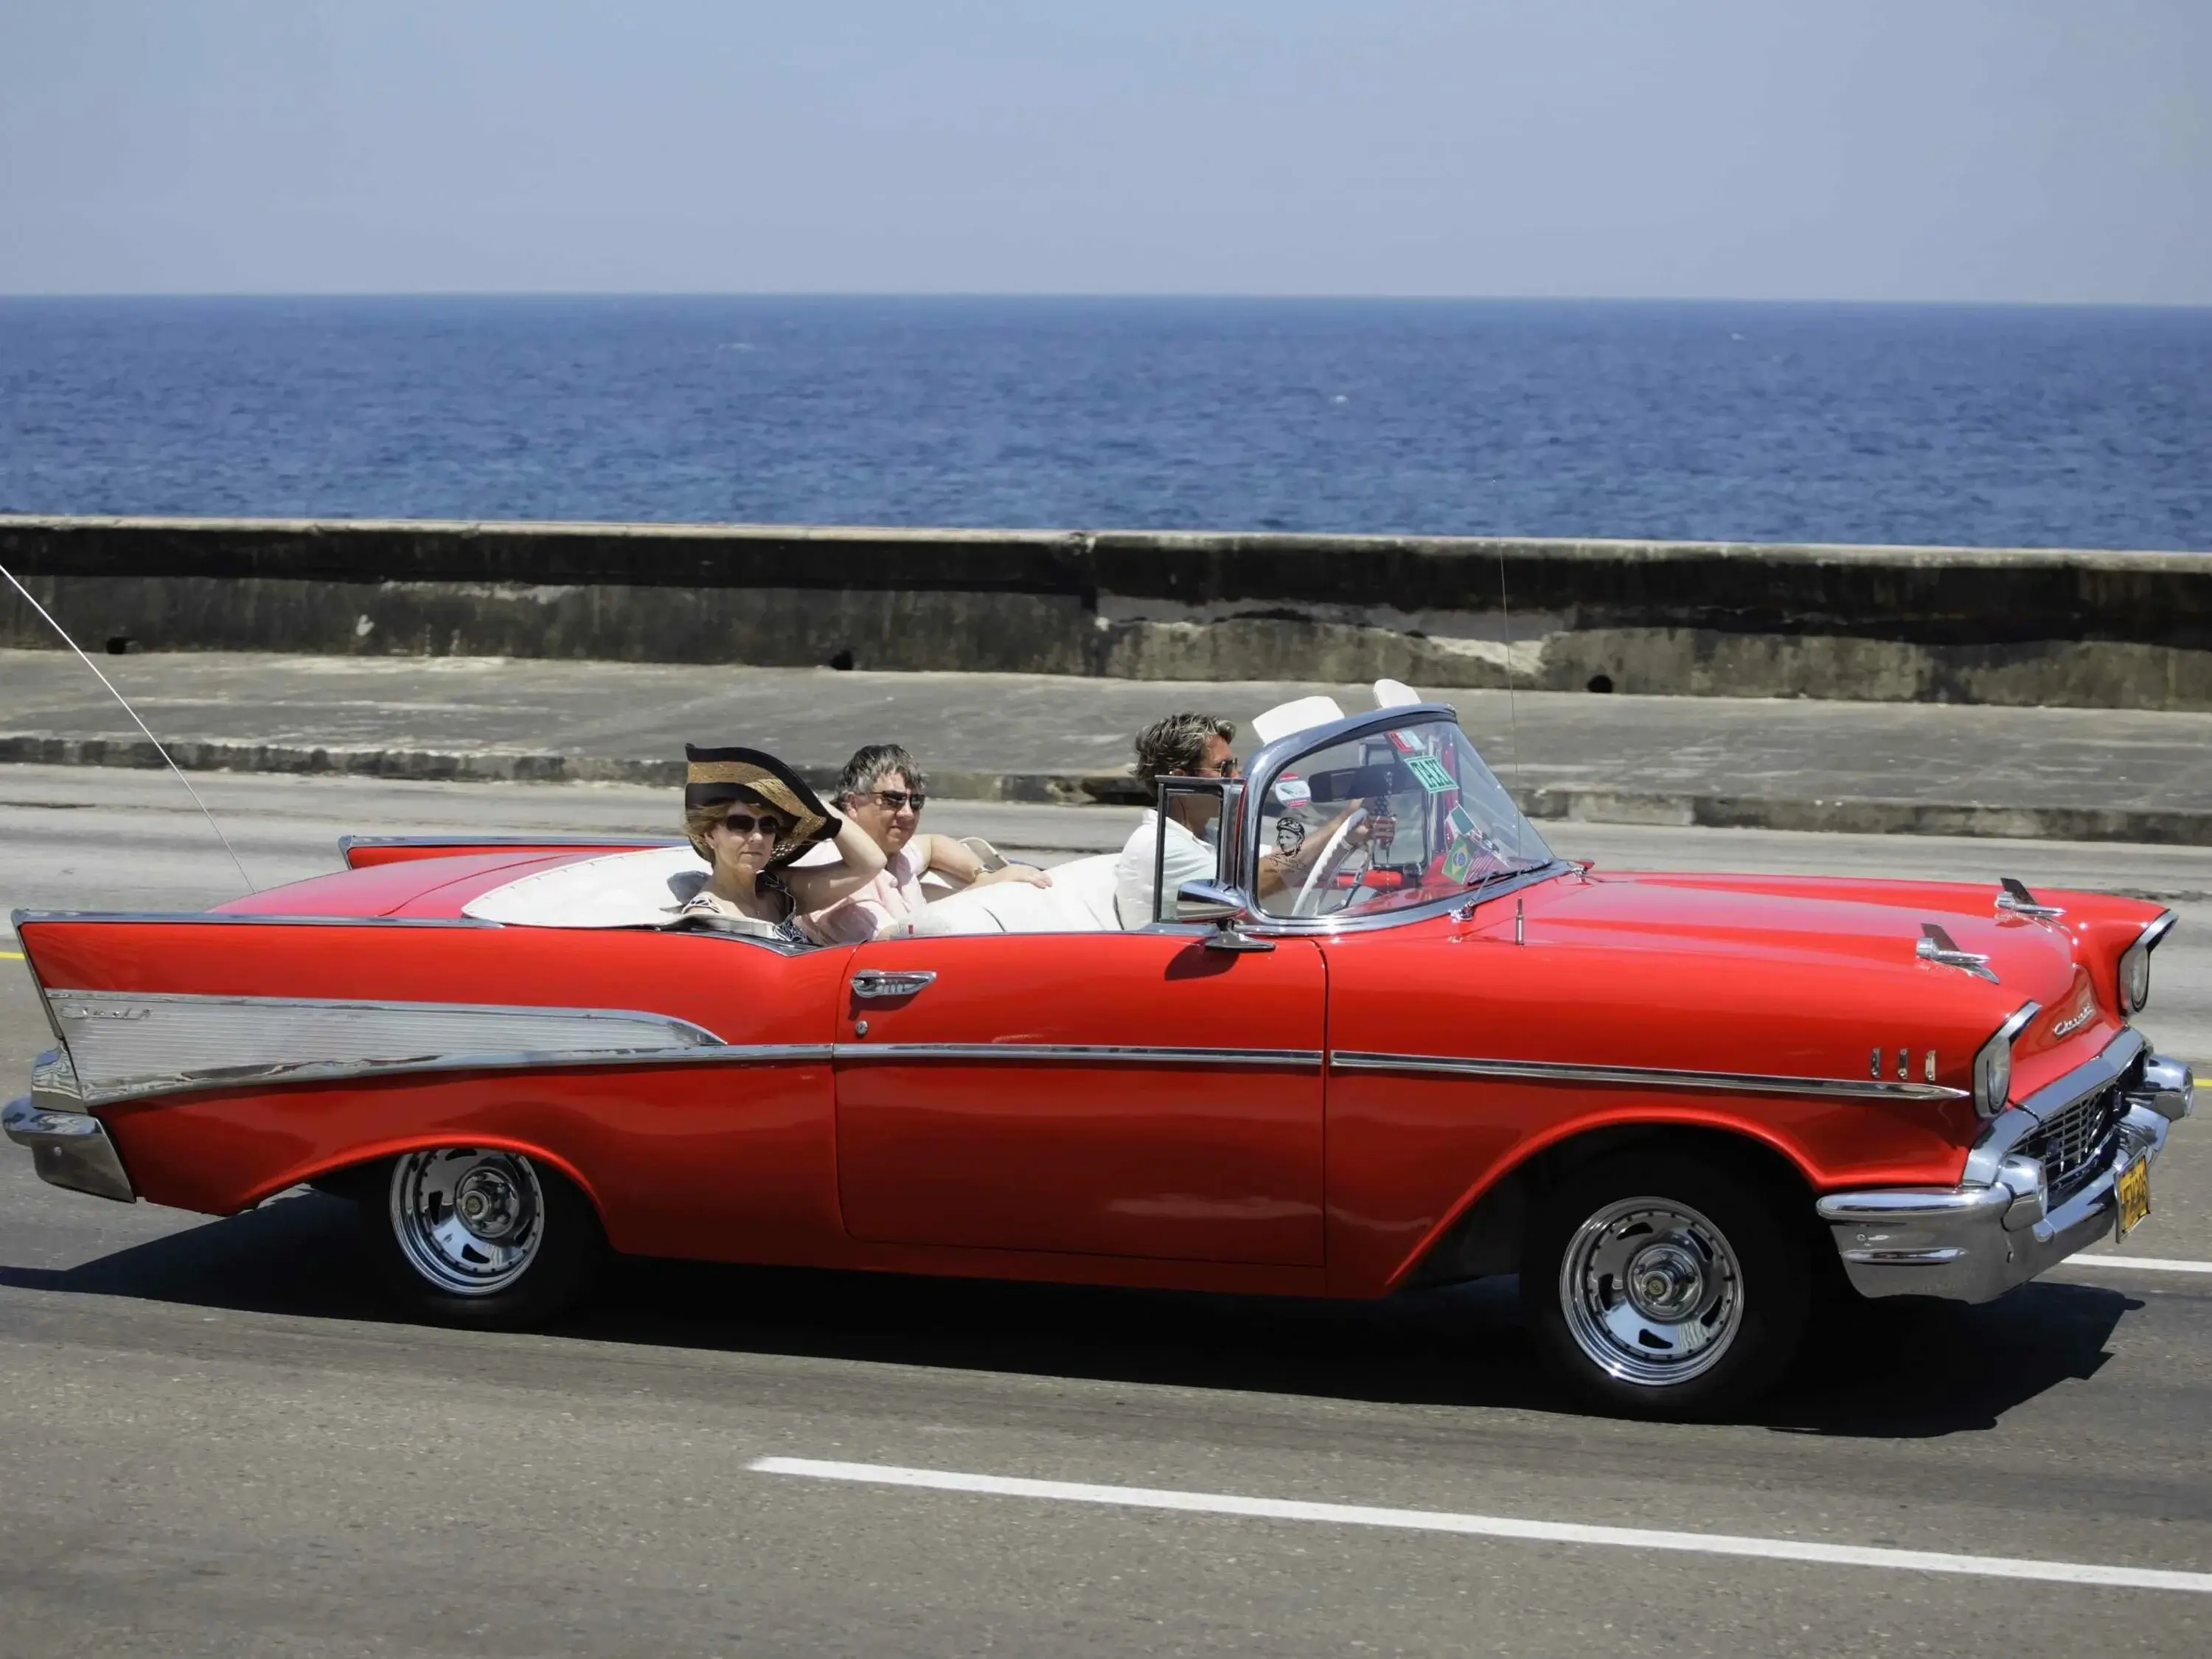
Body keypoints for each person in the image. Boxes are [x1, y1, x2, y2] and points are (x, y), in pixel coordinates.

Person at [800, 742, 1051, 944]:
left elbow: (933, 844)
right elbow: (894, 945)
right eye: (893, 800)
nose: (908, 813)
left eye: (916, 802)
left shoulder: (892, 851)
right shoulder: (836, 871)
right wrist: (988, 888)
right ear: (853, 804)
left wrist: (983, 876)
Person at [672, 744, 886, 946]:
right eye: (740, 824)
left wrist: (810, 801)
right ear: (709, 834)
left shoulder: (779, 890)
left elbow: (871, 862)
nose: (757, 837)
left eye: (768, 826)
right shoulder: (704, 920)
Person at [1113, 712, 1239, 927]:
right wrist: (1318, 838)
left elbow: (1270, 860)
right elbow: (1257, 881)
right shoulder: (1159, 843)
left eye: (1234, 764)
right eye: (1224, 768)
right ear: (1181, 780)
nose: (1236, 776)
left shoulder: (1207, 836)